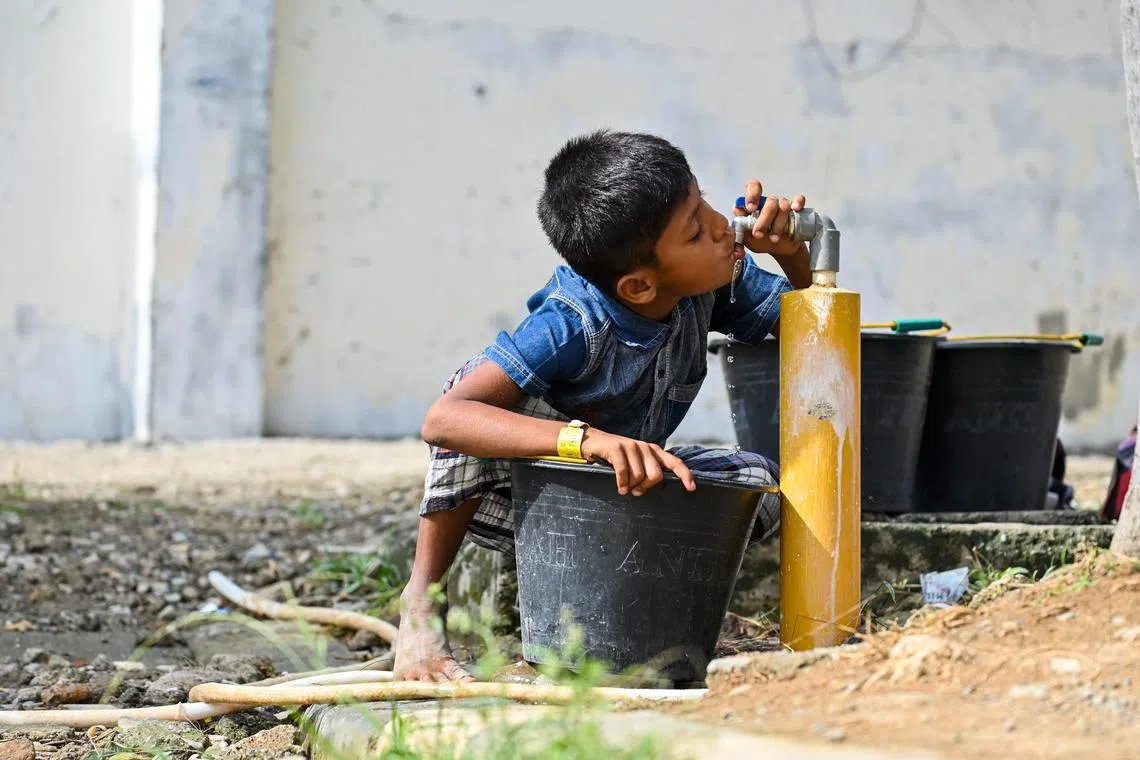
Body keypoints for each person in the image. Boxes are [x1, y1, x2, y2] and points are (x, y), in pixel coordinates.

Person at [394, 129, 813, 682]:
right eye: (694, 233)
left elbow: (816, 335)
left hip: (624, 494)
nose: (720, 227)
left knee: (758, 481)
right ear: (639, 286)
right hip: (541, 494)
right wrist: (586, 441)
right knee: (474, 390)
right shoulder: (571, 324)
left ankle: (660, 631)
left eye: (703, 201)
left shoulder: (714, 279)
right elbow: (442, 419)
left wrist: (793, 259)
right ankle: (420, 602)